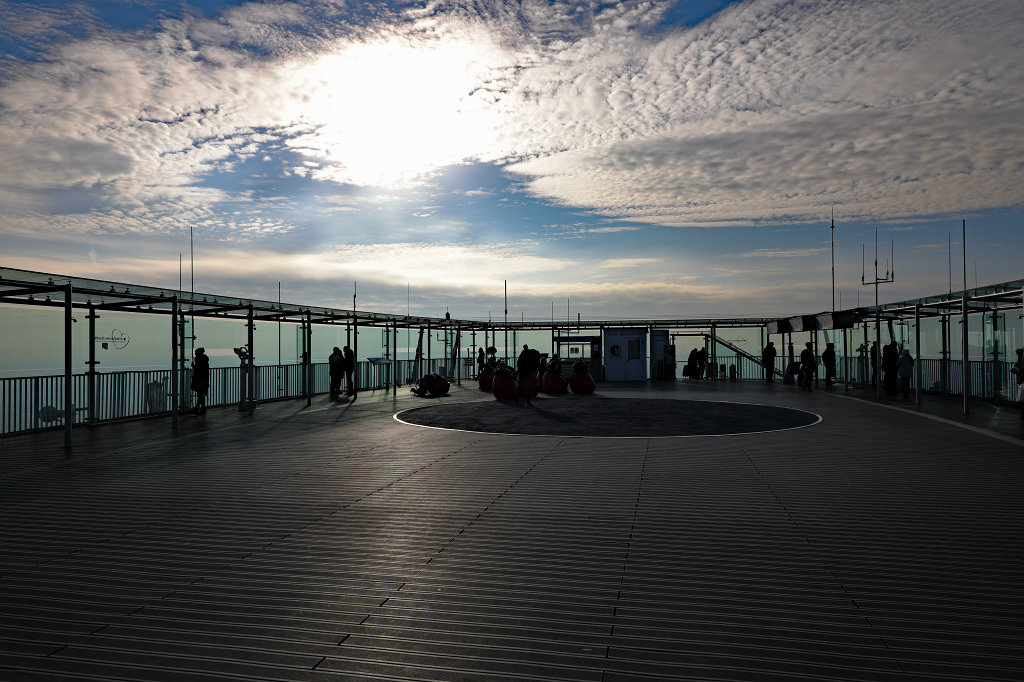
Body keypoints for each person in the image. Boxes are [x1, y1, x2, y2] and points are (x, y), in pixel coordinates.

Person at [191, 347, 210, 415]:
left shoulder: (200, 361)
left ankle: (197, 408)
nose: (195, 355)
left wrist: (194, 366)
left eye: (196, 354)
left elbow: (198, 370)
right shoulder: (204, 360)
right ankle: (201, 409)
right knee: (200, 394)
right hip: (203, 380)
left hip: (200, 380)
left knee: (200, 394)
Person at [1012, 348, 1024, 420]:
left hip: (1021, 379)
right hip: (1022, 378)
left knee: (1022, 397)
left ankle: (1022, 413)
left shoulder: (1021, 354)